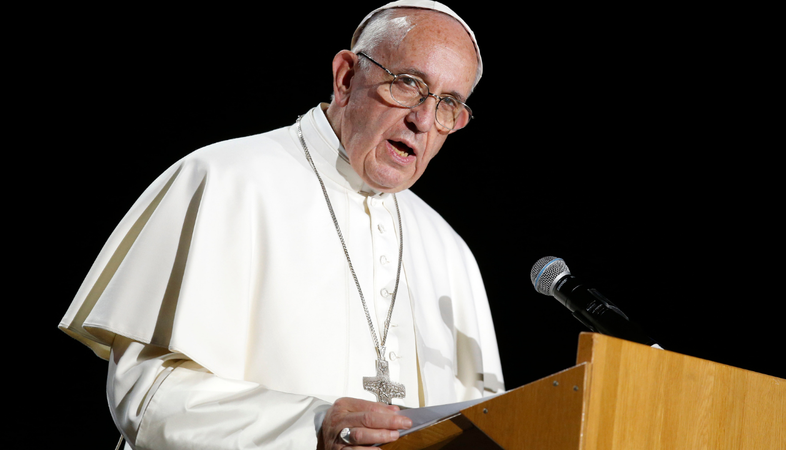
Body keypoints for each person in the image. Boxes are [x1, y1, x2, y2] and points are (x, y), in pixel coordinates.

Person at [58, 1, 504, 448]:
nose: (423, 120)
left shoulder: (450, 252)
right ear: (346, 78)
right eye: (408, 84)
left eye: (449, 104)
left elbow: (489, 426)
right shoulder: (224, 180)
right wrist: (311, 427)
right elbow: (148, 396)